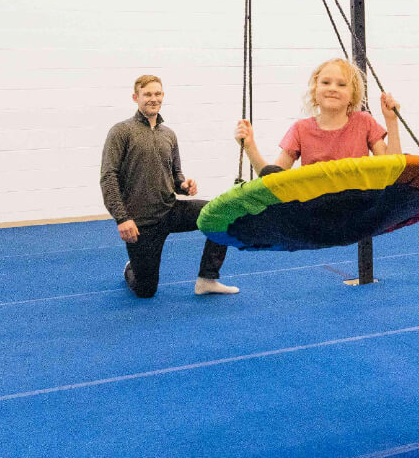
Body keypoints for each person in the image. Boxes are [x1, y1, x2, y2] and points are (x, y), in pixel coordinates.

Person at [101, 75, 239, 299]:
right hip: (141, 222)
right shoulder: (121, 132)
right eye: (147, 94)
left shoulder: (169, 134)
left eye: (157, 94)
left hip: (170, 210)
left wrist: (184, 185)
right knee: (146, 291)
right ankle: (132, 268)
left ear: (163, 96)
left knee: (221, 213)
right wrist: (122, 218)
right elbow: (108, 177)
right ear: (136, 97)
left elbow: (175, 175)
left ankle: (207, 279)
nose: (153, 99)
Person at [234, 57, 402, 174]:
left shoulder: (363, 122)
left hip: (357, 202)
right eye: (326, 82)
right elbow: (273, 177)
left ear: (352, 95)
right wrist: (250, 148)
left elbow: (392, 166)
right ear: (315, 91)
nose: (333, 88)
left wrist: (391, 121)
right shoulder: (301, 129)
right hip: (316, 207)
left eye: (342, 84)